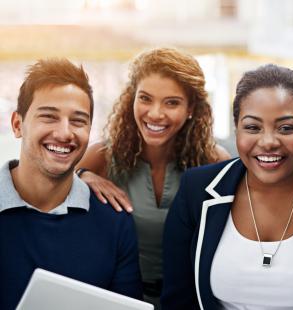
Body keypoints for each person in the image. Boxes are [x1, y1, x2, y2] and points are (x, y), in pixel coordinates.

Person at [161, 64, 293, 309]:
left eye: (286, 128)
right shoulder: (197, 189)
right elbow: (177, 299)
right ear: (236, 128)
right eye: (252, 127)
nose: (269, 142)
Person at [76, 47, 230, 308]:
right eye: (145, 98)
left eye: (172, 102)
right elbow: (53, 197)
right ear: (131, 98)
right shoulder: (101, 157)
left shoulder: (215, 162)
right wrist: (81, 177)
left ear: (191, 107)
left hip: (190, 302)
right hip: (118, 299)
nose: (155, 113)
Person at [0, 59, 142, 310]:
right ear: (17, 124)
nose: (64, 133)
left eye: (78, 121)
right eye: (49, 117)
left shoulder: (114, 222)